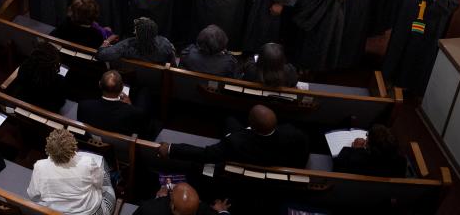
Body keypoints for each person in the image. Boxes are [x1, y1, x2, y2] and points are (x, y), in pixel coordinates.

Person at [370, 0, 460, 96]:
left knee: (411, 54)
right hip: (405, 17)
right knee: (397, 44)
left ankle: (403, 84)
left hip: (423, 26)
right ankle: (388, 73)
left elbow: (450, 7)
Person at [159, 104, 309, 168]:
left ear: (251, 125)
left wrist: (171, 149)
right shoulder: (294, 135)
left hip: (244, 149)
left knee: (229, 119)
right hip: (268, 156)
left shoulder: (234, 142)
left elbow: (205, 154)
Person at [27, 128, 116, 215]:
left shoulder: (39, 166)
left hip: (56, 212)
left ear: (49, 149)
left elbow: (33, 195)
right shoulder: (87, 163)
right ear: (74, 147)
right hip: (93, 212)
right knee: (106, 180)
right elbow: (99, 184)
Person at [77, 70, 159, 139]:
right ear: (122, 88)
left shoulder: (83, 105)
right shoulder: (134, 113)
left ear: (99, 84)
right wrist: (130, 107)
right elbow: (142, 131)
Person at [8, 42, 67, 112]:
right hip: (47, 112)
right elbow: (60, 103)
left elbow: (19, 84)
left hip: (23, 104)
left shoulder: (24, 67)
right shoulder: (59, 81)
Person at [333, 124, 408, 178]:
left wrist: (355, 149)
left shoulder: (355, 160)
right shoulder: (401, 162)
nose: (366, 138)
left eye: (367, 136)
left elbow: (337, 169)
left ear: (369, 146)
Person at [97, 17, 176, 66]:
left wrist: (107, 41)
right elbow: (172, 65)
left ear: (137, 34)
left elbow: (101, 55)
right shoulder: (165, 44)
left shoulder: (127, 45)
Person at [133, 182, 230, 215]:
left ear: (174, 207)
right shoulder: (203, 209)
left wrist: (158, 198)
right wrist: (222, 211)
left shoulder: (149, 209)